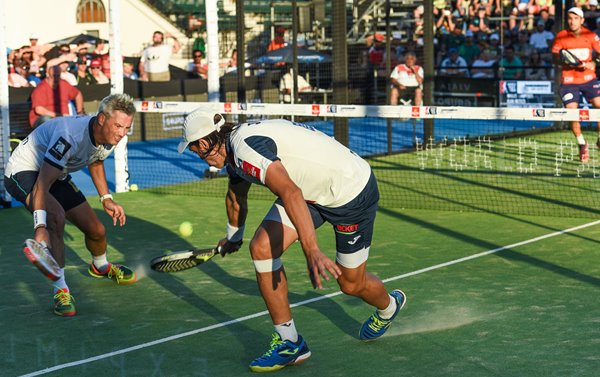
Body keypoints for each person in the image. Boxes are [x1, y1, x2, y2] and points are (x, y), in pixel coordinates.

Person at [176, 110, 406, 372]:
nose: (193, 153)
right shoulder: (233, 152)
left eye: (193, 148)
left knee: (351, 284)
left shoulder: (245, 149)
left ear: (204, 143)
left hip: (350, 192)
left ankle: (389, 307)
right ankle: (290, 343)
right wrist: (234, 237)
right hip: (310, 194)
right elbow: (236, 195)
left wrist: (313, 250)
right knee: (262, 248)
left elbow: (290, 191)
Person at [4, 94, 138, 316]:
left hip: (55, 170)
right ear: (102, 119)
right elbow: (42, 184)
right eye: (118, 126)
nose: (122, 133)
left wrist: (106, 198)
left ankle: (100, 266)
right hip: (24, 171)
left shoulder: (109, 136)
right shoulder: (69, 136)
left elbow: (96, 160)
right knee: (55, 216)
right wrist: (40, 228)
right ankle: (60, 290)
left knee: (97, 230)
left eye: (127, 127)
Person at [551, 6, 600, 163]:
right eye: (570, 18)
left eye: (576, 18)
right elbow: (555, 58)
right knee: (572, 112)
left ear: (582, 20)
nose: (572, 21)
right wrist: (566, 61)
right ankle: (582, 144)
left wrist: (594, 62)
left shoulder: (590, 35)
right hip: (569, 82)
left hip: (589, 80)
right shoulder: (561, 36)